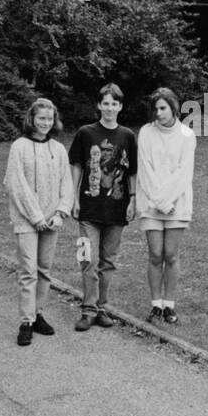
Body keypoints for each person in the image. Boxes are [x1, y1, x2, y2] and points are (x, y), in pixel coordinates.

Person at [4, 98, 73, 346]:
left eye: (49, 118)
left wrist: (60, 213)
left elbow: (67, 184)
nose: (45, 123)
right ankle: (26, 321)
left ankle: (38, 313)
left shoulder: (58, 149)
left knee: (44, 270)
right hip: (27, 220)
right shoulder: (19, 147)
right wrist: (35, 217)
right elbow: (15, 184)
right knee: (28, 271)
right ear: (31, 119)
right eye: (41, 118)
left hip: (51, 221)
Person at [69, 84, 137, 332]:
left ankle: (102, 308)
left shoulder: (127, 136)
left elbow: (132, 171)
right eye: (105, 103)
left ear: (120, 106)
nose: (110, 108)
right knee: (89, 259)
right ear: (99, 105)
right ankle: (87, 310)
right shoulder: (85, 133)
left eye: (114, 103)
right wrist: (73, 198)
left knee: (108, 262)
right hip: (88, 209)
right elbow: (76, 165)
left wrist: (133, 198)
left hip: (116, 210)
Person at [138, 87, 197, 324]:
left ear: (173, 107)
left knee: (171, 254)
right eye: (155, 108)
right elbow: (145, 168)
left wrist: (168, 201)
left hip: (177, 203)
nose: (158, 113)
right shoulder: (145, 132)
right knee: (155, 254)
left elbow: (184, 172)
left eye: (162, 108)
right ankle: (155, 305)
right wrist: (159, 202)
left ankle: (169, 305)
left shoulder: (186, 134)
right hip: (152, 203)